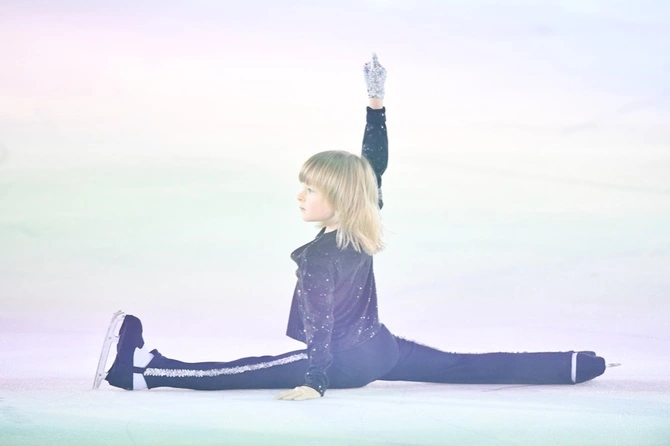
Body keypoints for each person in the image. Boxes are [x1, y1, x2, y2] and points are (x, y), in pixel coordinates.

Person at [102, 54, 606, 400]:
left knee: (245, 369)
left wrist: (316, 380)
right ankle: (571, 364)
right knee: (460, 366)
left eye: (310, 189)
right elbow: (372, 167)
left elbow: (319, 326)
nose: (300, 196)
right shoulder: (360, 225)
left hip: (345, 362)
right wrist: (375, 105)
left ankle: (142, 372)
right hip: (381, 350)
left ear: (340, 198)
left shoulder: (320, 257)